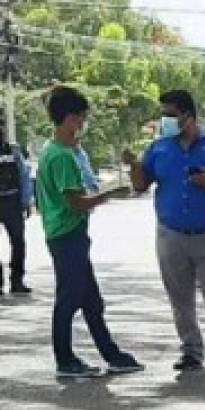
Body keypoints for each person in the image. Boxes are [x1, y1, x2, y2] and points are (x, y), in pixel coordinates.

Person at [124, 90, 205, 375]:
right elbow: (142, 185)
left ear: (187, 115)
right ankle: (191, 351)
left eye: (169, 115)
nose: (164, 121)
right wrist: (133, 165)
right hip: (171, 234)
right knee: (179, 298)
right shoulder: (158, 148)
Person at [37, 87, 142, 379]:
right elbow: (76, 201)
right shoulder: (61, 157)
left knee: (91, 301)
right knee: (69, 299)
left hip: (68, 233)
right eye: (81, 117)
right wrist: (110, 194)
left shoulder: (57, 151)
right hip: (66, 233)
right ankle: (65, 358)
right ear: (70, 118)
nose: (83, 123)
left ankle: (112, 354)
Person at [0, 135, 33, 295]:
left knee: (18, 242)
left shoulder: (13, 151)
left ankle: (17, 281)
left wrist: (26, 201)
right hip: (10, 202)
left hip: (11, 201)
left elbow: (23, 175)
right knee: (18, 242)